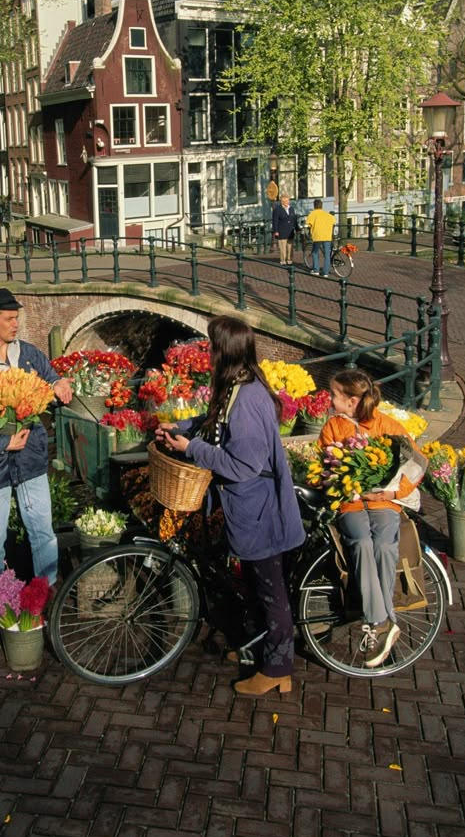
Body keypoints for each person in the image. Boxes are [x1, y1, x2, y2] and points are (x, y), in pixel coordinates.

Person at [156, 316, 305, 697]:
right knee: (256, 586)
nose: (206, 353)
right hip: (248, 511)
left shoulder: (249, 399)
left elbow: (243, 465)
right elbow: (215, 424)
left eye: (210, 347)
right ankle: (260, 649)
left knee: (271, 592)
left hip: (263, 513)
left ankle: (277, 669)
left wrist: (192, 450)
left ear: (225, 351)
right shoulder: (234, 386)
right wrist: (182, 428)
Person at [0, 288, 73, 584]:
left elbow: (50, 378)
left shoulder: (28, 354)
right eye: (8, 319)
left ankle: (47, 587)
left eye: (16, 318)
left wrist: (58, 385)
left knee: (43, 530)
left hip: (29, 458)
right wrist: (3, 442)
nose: (15, 324)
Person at [317, 369, 426, 669]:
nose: (329, 398)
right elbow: (326, 469)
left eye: (334, 394)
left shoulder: (388, 426)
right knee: (361, 542)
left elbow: (415, 467)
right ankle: (382, 621)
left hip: (383, 502)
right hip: (350, 505)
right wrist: (341, 483)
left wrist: (391, 495)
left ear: (351, 401)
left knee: (384, 546)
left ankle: (378, 623)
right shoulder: (332, 428)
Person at [305, 198, 335, 277]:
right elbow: (333, 222)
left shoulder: (312, 214)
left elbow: (308, 224)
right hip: (327, 236)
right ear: (322, 206)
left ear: (314, 206)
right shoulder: (328, 214)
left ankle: (316, 270)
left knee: (315, 252)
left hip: (317, 236)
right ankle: (325, 273)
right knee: (327, 254)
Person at [271, 194, 298, 266]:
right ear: (281, 202)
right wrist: (276, 231)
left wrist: (297, 228)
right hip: (281, 230)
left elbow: (294, 219)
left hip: (290, 231)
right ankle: (283, 260)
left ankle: (289, 259)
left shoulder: (291, 208)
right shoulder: (277, 210)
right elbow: (275, 221)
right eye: (285, 201)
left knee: (290, 247)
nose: (287, 202)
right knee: (283, 247)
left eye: (288, 200)